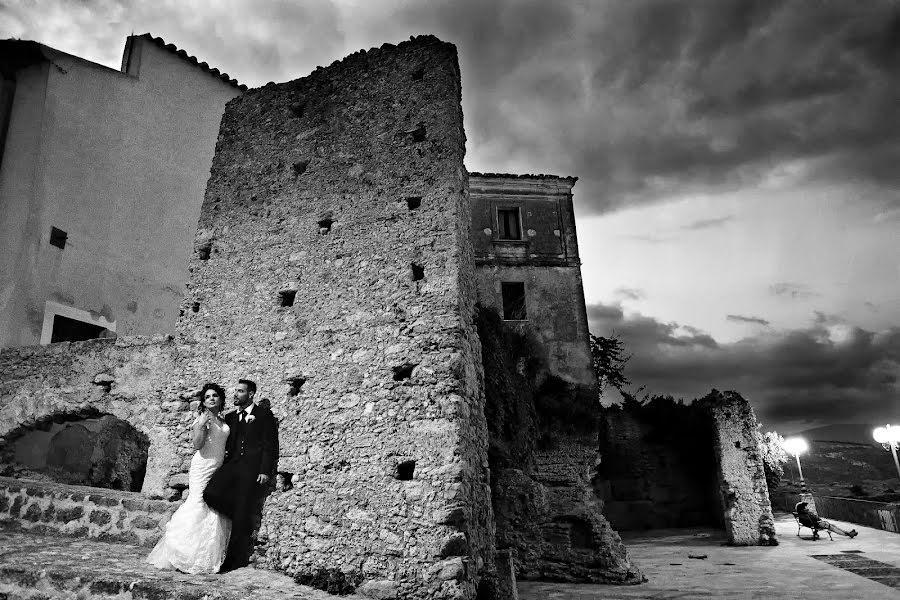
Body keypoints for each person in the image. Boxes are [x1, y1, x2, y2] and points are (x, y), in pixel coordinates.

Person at [147, 383, 232, 574]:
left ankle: (205, 556)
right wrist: (201, 426)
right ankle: (183, 553)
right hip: (202, 467)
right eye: (207, 396)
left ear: (221, 400)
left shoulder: (222, 420)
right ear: (203, 401)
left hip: (217, 467)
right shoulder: (202, 419)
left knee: (212, 507)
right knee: (198, 503)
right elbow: (197, 445)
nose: (211, 398)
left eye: (215, 396)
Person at [203, 379, 278, 571]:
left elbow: (269, 445)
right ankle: (238, 515)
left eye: (240, 391)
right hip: (231, 466)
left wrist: (264, 470)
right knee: (210, 493)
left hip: (251, 470)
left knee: (243, 509)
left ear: (251, 394)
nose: (235, 394)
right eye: (235, 391)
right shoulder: (230, 417)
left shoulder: (263, 415)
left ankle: (233, 561)